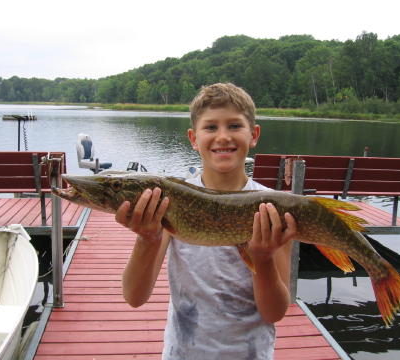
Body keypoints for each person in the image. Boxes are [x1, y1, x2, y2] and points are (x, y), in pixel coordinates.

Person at [116, 83, 298, 359]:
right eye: (210, 127)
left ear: (254, 134)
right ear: (193, 137)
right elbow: (134, 296)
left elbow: (274, 312)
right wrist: (147, 238)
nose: (222, 137)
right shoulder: (170, 200)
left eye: (235, 126)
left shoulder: (273, 207)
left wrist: (262, 258)